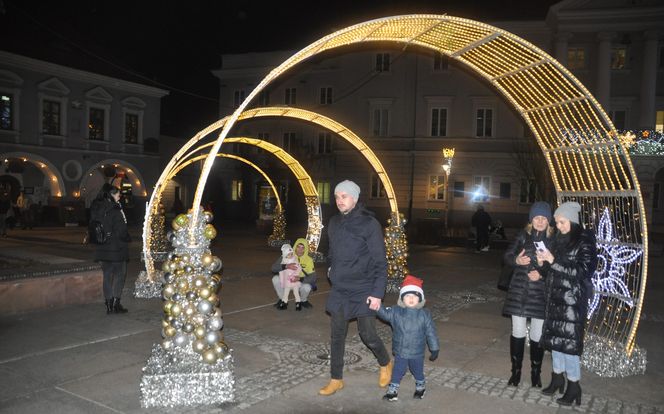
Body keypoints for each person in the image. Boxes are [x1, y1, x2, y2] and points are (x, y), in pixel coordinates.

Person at [319, 180, 392, 396]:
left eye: (344, 196)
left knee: (367, 334)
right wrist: (331, 270)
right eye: (337, 196)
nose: (340, 200)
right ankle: (336, 379)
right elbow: (331, 252)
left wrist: (378, 293)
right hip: (341, 289)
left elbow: (381, 262)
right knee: (337, 335)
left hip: (364, 288)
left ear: (355, 198)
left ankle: (385, 362)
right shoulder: (333, 222)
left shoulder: (369, 224)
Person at [536, 201, 597, 406]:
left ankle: (573, 386)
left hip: (572, 301)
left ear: (572, 220)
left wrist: (553, 261)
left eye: (562, 222)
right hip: (554, 300)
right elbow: (550, 272)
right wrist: (542, 262)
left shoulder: (585, 241)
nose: (558, 226)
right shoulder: (557, 240)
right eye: (557, 222)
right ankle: (557, 379)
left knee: (569, 346)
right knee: (556, 344)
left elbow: (583, 272)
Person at [502, 201, 554, 387]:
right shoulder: (523, 236)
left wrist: (541, 272)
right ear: (531, 220)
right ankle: (515, 372)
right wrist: (516, 259)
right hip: (519, 292)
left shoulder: (553, 241)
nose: (540, 221)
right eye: (537, 218)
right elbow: (507, 256)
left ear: (549, 221)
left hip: (540, 294)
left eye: (544, 218)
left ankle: (535, 373)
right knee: (517, 332)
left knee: (537, 334)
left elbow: (556, 267)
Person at [376, 275, 440, 401]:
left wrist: (434, 348)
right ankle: (393, 391)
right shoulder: (396, 312)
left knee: (417, 370)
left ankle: (420, 387)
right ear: (402, 299)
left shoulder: (424, 315)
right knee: (398, 371)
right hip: (401, 351)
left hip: (417, 352)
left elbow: (431, 332)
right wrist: (377, 306)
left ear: (420, 299)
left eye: (415, 296)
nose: (411, 298)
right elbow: (385, 314)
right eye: (407, 296)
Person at [91, 183, 132, 315]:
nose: (119, 195)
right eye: (117, 193)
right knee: (120, 275)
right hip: (117, 249)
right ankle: (116, 304)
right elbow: (122, 230)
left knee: (107, 276)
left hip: (102, 248)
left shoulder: (96, 208)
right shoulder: (115, 209)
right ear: (110, 195)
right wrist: (127, 238)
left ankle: (108, 305)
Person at [271, 237, 317, 310]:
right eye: (298, 247)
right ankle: (282, 299)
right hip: (286, 281)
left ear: (306, 249)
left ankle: (303, 300)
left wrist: (299, 278)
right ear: (295, 246)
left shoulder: (309, 260)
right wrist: (286, 266)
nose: (300, 250)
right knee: (275, 279)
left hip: (299, 282)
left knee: (307, 287)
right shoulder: (287, 254)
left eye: (303, 248)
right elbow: (273, 268)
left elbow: (313, 277)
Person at [277, 243, 303, 311]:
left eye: (291, 254)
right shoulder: (283, 261)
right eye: (289, 254)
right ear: (285, 255)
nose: (291, 255)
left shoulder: (295, 260)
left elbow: (299, 268)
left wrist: (296, 275)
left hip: (294, 279)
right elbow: (281, 270)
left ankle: (298, 302)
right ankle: (284, 302)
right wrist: (283, 277)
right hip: (287, 281)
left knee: (296, 292)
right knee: (286, 292)